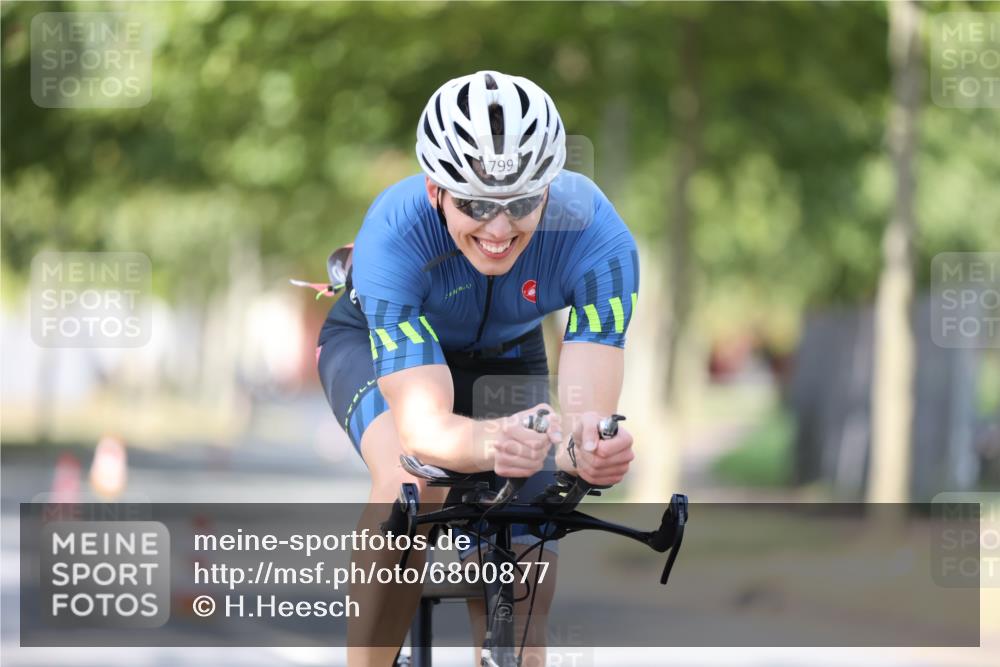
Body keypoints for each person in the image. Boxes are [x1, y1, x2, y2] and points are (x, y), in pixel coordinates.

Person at [317, 70, 639, 667]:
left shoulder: (598, 234)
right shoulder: (395, 229)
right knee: (413, 484)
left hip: (507, 354)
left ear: (549, 189)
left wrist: (588, 450)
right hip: (374, 345)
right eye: (475, 204)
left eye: (520, 203)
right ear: (436, 190)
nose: (498, 229)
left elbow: (585, 419)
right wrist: (494, 439)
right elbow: (423, 428)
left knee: (529, 532)